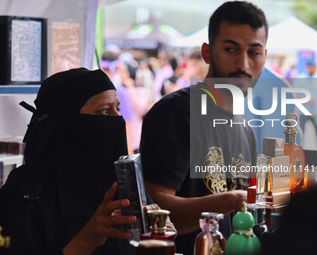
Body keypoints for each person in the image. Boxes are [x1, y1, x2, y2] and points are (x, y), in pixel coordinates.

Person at [0, 68, 175, 254]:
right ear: (67, 124)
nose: (118, 120)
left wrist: (161, 238)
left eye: (118, 109)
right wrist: (85, 241)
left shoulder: (123, 186)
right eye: (105, 111)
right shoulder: (23, 194)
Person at [139, 1, 268, 254]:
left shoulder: (246, 130)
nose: (243, 63)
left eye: (254, 52)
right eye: (231, 49)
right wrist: (231, 200)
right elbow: (154, 212)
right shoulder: (177, 112)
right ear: (207, 53)